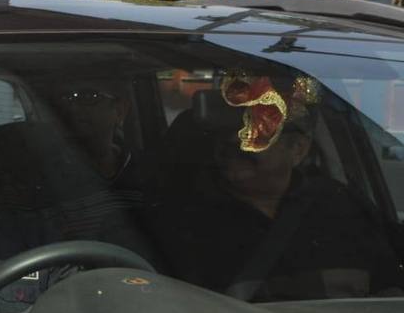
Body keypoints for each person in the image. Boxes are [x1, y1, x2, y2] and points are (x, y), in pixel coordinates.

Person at [151, 93, 404, 301]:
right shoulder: (183, 216)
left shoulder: (344, 207)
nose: (232, 142)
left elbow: (391, 291)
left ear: (297, 150)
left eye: (255, 134)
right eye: (224, 133)